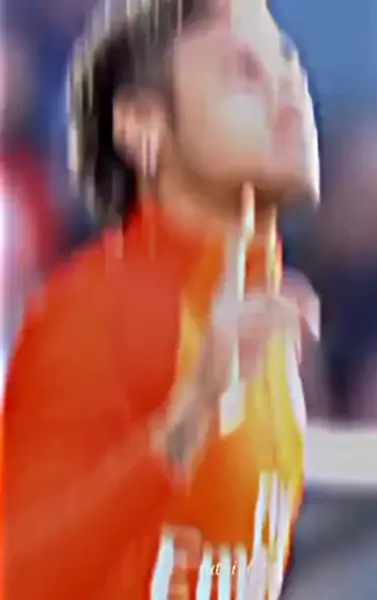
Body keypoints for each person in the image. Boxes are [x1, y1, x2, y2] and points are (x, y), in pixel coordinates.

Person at [3, 0, 319, 598]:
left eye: (287, 62)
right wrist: (185, 426)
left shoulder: (260, 332)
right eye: (243, 73)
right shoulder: (99, 313)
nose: (288, 89)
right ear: (142, 126)